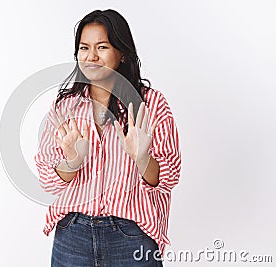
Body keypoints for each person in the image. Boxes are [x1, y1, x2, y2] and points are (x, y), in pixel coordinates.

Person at [34, 9, 181, 267]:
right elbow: (48, 180)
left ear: (121, 53)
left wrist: (142, 158)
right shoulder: (65, 107)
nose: (91, 57)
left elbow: (168, 177)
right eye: (83, 48)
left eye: (102, 47)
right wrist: (73, 162)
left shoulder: (152, 104)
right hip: (72, 235)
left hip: (132, 235)